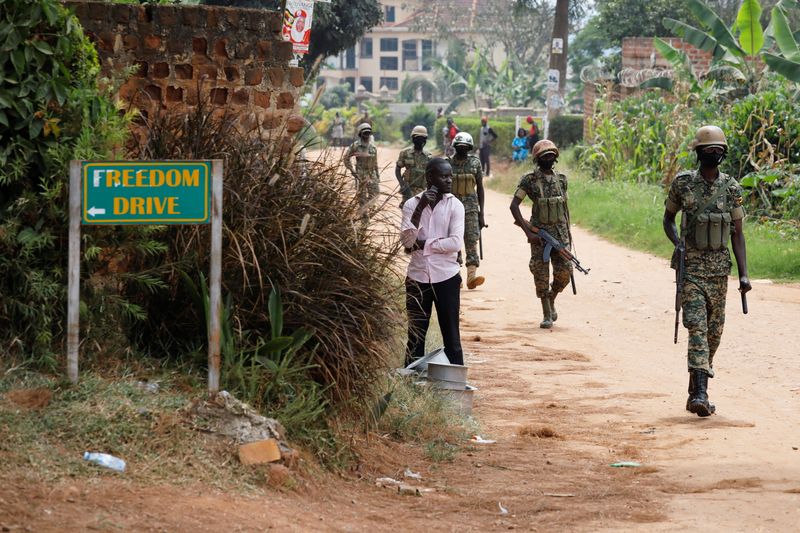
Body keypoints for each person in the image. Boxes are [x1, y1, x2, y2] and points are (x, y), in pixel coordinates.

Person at [663, 125, 750, 417]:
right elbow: (668, 219)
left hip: (719, 273)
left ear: (723, 154)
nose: (714, 153)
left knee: (714, 334)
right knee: (697, 328)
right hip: (691, 271)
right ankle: (701, 393)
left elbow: (737, 233)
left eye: (718, 150)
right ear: (699, 153)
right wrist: (678, 244)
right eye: (709, 150)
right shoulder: (683, 184)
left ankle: (694, 388)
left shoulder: (733, 188)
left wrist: (744, 275)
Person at [401, 158, 465, 366]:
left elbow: (455, 243)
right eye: (444, 176)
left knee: (452, 337)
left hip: (446, 277)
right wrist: (420, 208)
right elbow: (408, 241)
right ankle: (411, 381)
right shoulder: (411, 205)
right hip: (417, 278)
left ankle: (455, 382)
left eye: (450, 176)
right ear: (430, 177)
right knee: (416, 336)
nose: (449, 181)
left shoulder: (455, 205)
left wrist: (424, 244)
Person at [509, 139, 572, 329]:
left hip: (560, 235)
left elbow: (565, 209)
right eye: (545, 156)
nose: (549, 159)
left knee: (565, 273)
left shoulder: (561, 180)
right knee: (541, 274)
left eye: (552, 156)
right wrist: (528, 232)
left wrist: (569, 233)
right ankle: (546, 312)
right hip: (540, 236)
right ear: (538, 159)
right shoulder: (529, 180)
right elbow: (514, 206)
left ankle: (552, 297)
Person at [447, 132, 486, 289]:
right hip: (451, 208)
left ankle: (471, 275)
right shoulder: (447, 164)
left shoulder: (475, 163)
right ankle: (456, 276)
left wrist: (481, 213)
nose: (462, 149)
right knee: (453, 241)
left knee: (471, 239)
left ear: (469, 148)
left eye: (465, 147)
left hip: (470, 208)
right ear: (455, 147)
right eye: (459, 146)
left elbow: (480, 188)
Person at [343, 123, 380, 210]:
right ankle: (364, 220)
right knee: (361, 197)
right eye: (365, 133)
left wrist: (377, 176)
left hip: (372, 174)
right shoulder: (355, 146)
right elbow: (346, 158)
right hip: (360, 174)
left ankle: (367, 209)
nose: (367, 135)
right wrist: (352, 171)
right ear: (360, 133)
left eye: (368, 133)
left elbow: (375, 163)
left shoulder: (373, 147)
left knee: (375, 194)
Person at [395, 125, 432, 207]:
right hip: (408, 189)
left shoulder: (429, 156)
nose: (419, 140)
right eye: (417, 138)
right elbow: (397, 169)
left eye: (422, 138)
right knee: (407, 213)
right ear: (413, 138)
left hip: (423, 190)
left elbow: (431, 174)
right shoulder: (405, 153)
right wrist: (402, 185)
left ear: (425, 139)